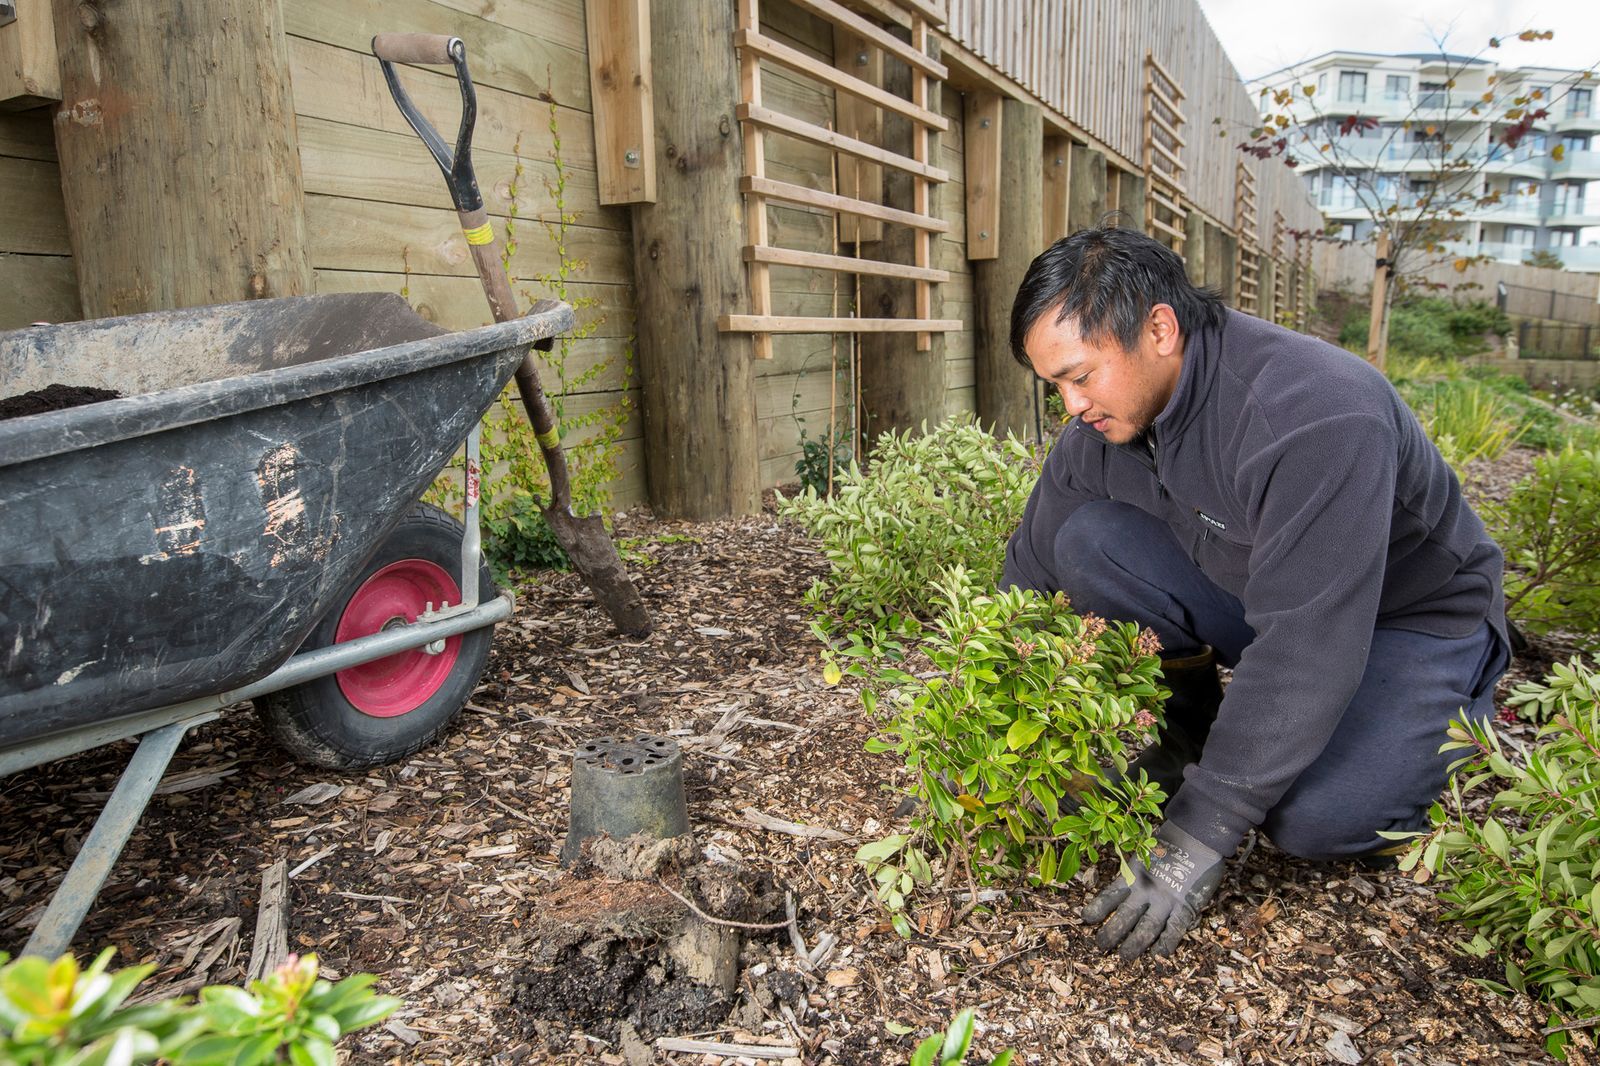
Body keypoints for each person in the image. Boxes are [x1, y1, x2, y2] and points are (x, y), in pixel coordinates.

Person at [1003, 226, 1509, 962]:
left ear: (1160, 329)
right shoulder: (1109, 426)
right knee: (1090, 541)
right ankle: (1191, 738)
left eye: (1080, 376)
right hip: (1280, 599)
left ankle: (1458, 700)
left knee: (1311, 820)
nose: (1070, 404)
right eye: (1054, 384)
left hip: (1412, 622)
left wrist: (1196, 836)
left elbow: (1307, 651)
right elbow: (1031, 571)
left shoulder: (1315, 415)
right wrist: (986, 718)